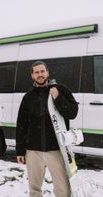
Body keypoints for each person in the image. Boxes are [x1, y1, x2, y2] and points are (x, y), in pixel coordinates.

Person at [16, 61, 78, 197]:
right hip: (33, 150)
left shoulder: (60, 90)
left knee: (63, 190)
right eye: (37, 72)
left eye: (42, 71)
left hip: (56, 148)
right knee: (34, 189)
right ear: (32, 76)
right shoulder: (28, 97)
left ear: (47, 72)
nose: (40, 75)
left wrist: (58, 98)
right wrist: (20, 150)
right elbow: (21, 125)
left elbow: (72, 113)